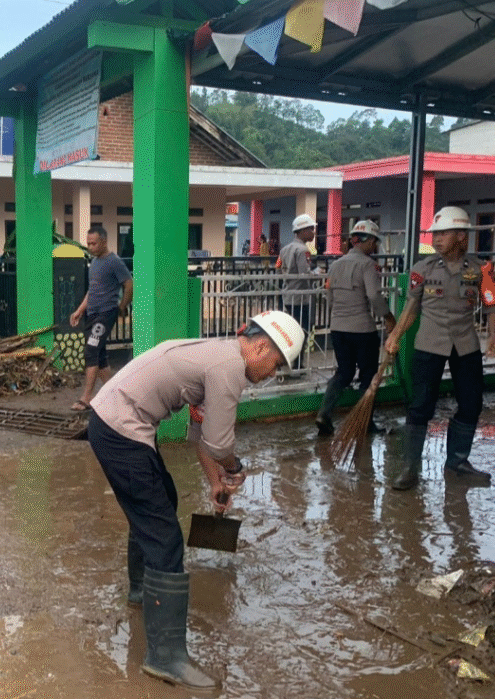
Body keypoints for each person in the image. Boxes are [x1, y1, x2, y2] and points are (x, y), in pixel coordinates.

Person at [87, 310, 304, 690]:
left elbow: (202, 435)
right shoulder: (230, 368)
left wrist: (215, 482)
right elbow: (221, 445)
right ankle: (165, 657)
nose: (273, 374)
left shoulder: (220, 355)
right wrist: (236, 467)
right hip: (121, 428)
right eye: (275, 364)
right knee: (166, 539)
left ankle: (141, 590)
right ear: (259, 346)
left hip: (116, 422)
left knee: (161, 500)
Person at [385, 206, 495, 491]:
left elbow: (493, 302)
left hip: (465, 344)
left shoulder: (480, 270)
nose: (436, 239)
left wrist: (493, 337)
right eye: (434, 234)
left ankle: (458, 462)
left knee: (471, 403)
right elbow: (412, 306)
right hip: (429, 343)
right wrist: (395, 336)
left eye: (443, 233)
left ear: (461, 236)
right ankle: (410, 468)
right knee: (420, 405)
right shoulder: (422, 270)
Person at [316, 220, 396, 436]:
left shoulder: (336, 264)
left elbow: (329, 297)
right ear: (368, 240)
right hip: (362, 330)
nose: (375, 246)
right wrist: (389, 318)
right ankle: (365, 423)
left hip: (338, 328)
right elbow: (373, 296)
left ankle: (324, 414)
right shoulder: (367, 264)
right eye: (374, 242)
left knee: (344, 372)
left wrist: (338, 317)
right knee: (368, 375)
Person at [69, 225, 133, 411]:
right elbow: (93, 290)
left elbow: (128, 284)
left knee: (91, 351)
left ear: (104, 242)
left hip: (106, 314)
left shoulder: (115, 262)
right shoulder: (95, 262)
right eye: (88, 243)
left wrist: (122, 307)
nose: (90, 247)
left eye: (93, 243)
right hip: (92, 313)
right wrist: (80, 310)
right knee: (101, 358)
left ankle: (86, 398)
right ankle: (117, 396)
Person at [276, 214, 318, 368]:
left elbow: (278, 269)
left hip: (287, 295)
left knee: (290, 331)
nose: (313, 232)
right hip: (301, 297)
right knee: (302, 331)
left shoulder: (285, 249)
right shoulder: (302, 250)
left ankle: (287, 362)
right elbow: (304, 274)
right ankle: (298, 364)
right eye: (311, 229)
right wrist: (317, 274)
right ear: (302, 231)